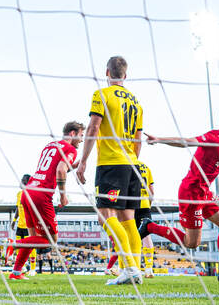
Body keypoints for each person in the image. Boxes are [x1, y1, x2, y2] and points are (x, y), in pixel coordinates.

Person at [139, 108, 219, 282]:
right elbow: (186, 142)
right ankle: (150, 227)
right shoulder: (213, 137)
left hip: (206, 193)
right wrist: (159, 139)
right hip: (191, 193)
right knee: (192, 243)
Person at [76, 56, 144, 285]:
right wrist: (132, 162)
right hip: (132, 163)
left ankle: (130, 268)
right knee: (128, 220)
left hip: (110, 163)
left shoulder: (101, 95)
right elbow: (138, 138)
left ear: (107, 72)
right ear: (125, 74)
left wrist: (83, 160)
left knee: (106, 215)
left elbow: (93, 127)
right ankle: (133, 271)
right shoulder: (136, 101)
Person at [9, 121, 85, 280]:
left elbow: (52, 169)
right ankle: (14, 245)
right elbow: (60, 170)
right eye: (81, 136)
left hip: (28, 192)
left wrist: (70, 167)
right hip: (41, 195)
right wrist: (63, 195)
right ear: (72, 133)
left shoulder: (50, 145)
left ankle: (16, 273)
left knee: (34, 238)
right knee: (50, 241)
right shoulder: (70, 149)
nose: (82, 140)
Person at [8, 174, 37, 275]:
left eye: (22, 180)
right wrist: (14, 220)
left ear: (26, 182)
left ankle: (33, 269)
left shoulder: (32, 194)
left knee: (31, 247)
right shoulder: (19, 194)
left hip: (29, 227)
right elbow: (17, 208)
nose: (20, 181)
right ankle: (23, 267)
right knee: (17, 246)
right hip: (20, 225)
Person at [135, 161, 155, 278]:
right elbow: (151, 191)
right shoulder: (146, 167)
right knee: (146, 235)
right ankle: (149, 268)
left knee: (132, 235)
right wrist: (149, 204)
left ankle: (134, 267)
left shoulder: (127, 163)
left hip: (131, 204)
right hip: (145, 204)